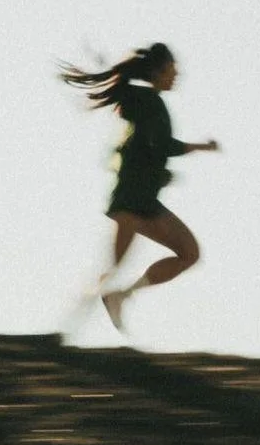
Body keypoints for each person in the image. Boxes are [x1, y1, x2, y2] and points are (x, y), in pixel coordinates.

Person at [59, 42, 219, 332]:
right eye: (172, 70)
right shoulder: (149, 102)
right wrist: (200, 147)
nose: (176, 75)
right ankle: (69, 327)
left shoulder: (146, 101)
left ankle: (120, 297)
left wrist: (160, 175)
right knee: (115, 266)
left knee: (189, 253)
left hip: (144, 200)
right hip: (133, 200)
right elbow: (159, 145)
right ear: (158, 72)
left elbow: (147, 147)